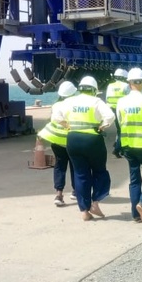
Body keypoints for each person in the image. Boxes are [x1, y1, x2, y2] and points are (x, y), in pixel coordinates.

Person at [53, 75, 115, 221]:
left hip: (73, 139)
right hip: (93, 140)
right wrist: (103, 126)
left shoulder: (69, 101)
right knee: (100, 171)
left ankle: (84, 211)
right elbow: (110, 116)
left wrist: (66, 124)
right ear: (94, 90)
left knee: (80, 174)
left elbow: (56, 116)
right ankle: (95, 202)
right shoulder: (96, 101)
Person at [115, 68, 142, 225]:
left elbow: (120, 122)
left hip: (128, 145)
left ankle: (135, 214)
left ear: (129, 83)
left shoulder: (121, 102)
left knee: (134, 179)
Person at [37, 81, 78, 206]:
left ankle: (59, 194)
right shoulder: (75, 106)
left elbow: (52, 121)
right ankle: (75, 191)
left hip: (57, 141)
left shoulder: (56, 105)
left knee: (60, 166)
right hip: (72, 140)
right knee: (75, 166)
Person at [105, 68, 129, 149]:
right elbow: (129, 98)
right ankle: (118, 148)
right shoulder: (126, 86)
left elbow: (107, 98)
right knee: (123, 128)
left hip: (112, 109)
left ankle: (117, 143)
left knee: (119, 128)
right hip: (122, 110)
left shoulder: (110, 85)